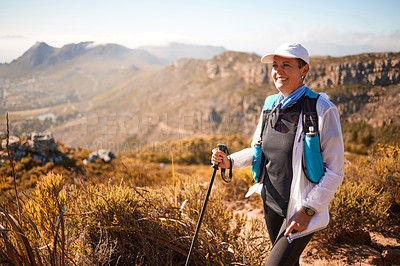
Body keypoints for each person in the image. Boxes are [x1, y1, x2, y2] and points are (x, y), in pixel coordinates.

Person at [211, 42, 344, 265]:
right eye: (275, 66)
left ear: (304, 70)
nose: (278, 71)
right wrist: (229, 161)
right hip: (271, 201)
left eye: (286, 65)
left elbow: (335, 171)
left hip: (300, 206)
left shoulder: (321, 108)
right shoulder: (270, 104)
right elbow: (258, 149)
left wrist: (308, 211)